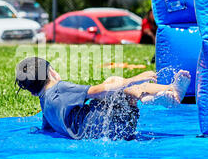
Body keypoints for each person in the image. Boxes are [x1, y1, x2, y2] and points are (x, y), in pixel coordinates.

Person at [15, 57, 191, 141]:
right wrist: (133, 78)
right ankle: (169, 90)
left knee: (117, 91)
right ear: (51, 72)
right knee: (114, 82)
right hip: (110, 126)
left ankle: (150, 99)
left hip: (98, 134)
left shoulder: (44, 102)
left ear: (32, 91)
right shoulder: (59, 88)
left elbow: (48, 127)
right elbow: (97, 91)